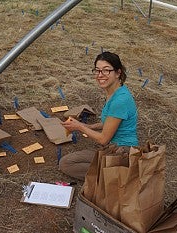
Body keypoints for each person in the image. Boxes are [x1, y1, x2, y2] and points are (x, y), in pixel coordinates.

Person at [59, 51, 138, 180]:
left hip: (123, 151)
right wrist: (88, 125)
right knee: (69, 162)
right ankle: (113, 173)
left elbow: (103, 139)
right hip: (114, 148)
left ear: (118, 73)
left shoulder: (119, 100)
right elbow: (111, 121)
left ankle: (116, 176)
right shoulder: (115, 92)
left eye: (106, 71)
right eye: (97, 71)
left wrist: (80, 127)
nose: (100, 75)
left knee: (66, 164)